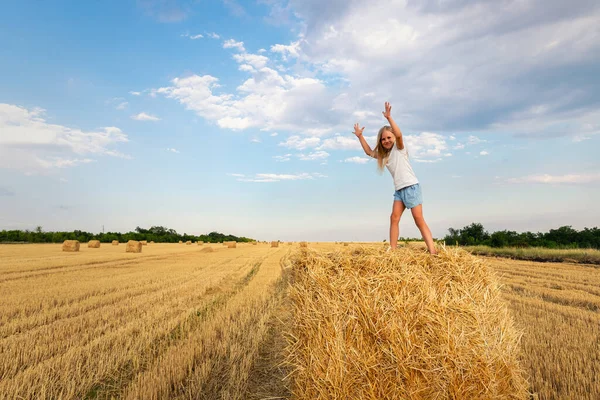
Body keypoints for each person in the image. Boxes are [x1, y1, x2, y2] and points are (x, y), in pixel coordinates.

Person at [354, 102, 437, 254]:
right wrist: (360, 137)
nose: (386, 140)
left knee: (418, 220)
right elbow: (368, 152)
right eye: (383, 139)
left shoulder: (399, 148)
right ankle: (392, 252)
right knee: (394, 218)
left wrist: (389, 118)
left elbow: (399, 135)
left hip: (411, 187)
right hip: (399, 190)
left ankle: (432, 251)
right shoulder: (384, 156)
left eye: (388, 137)